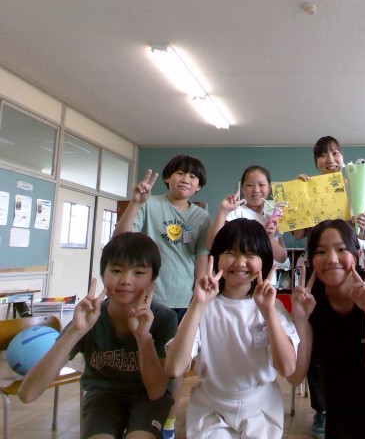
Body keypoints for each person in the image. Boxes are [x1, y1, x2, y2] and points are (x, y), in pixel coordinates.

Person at [18, 232, 177, 439]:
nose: (126, 281)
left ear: (152, 280)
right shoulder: (88, 318)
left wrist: (143, 337)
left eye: (138, 272)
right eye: (116, 270)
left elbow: (156, 391)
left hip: (147, 397)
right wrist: (76, 331)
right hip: (103, 396)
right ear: (103, 274)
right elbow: (27, 393)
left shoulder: (164, 318)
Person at [164, 218, 299, 438]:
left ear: (264, 260)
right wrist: (197, 305)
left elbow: (287, 368)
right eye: (231, 252)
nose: (240, 262)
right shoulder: (203, 306)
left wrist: (268, 313)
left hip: (261, 407)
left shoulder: (272, 307)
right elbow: (174, 368)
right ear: (216, 257)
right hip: (211, 407)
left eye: (250, 254)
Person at [114, 154, 211, 439]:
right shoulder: (150, 204)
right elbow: (121, 239)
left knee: (175, 366)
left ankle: (168, 420)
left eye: (193, 177)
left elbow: (202, 257)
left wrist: (198, 298)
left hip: (182, 301)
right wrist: (135, 203)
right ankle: (136, 418)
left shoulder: (201, 216)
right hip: (147, 300)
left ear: (198, 187)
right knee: (139, 360)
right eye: (180, 173)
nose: (186, 179)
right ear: (168, 177)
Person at [292, 135, 365, 438]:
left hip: (350, 273)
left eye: (335, 153)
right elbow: (298, 235)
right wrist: (299, 197)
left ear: (343, 157)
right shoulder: (309, 188)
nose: (330, 160)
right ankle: (322, 410)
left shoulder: (358, 185)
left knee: (355, 337)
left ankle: (358, 399)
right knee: (316, 342)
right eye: (323, 155)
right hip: (317, 273)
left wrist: (360, 221)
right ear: (316, 162)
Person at [289, 219, 365, 439]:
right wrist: (300, 319)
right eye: (321, 252)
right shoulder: (310, 301)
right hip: (334, 409)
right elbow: (295, 376)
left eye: (341, 249)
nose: (331, 259)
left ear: (358, 255)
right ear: (311, 260)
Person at [206, 165, 288, 265]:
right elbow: (212, 246)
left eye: (262, 185)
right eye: (250, 185)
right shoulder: (236, 214)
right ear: (243, 189)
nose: (256, 190)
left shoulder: (272, 219)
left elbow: (282, 258)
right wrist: (223, 210)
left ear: (269, 188)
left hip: (266, 275)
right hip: (239, 272)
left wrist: (269, 238)